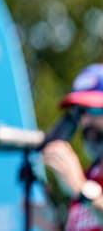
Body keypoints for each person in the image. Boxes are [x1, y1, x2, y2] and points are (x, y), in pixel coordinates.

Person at [42, 63, 103, 231]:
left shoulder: (81, 186)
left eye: (93, 109)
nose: (84, 122)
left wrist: (81, 189)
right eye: (80, 112)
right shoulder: (87, 177)